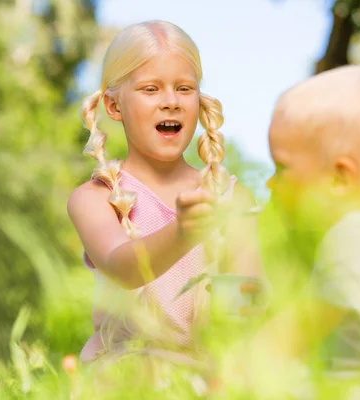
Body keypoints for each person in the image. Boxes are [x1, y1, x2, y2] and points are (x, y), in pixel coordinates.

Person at [66, 20, 264, 371]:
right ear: (114, 106)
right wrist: (184, 232)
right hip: (123, 368)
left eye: (185, 88)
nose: (170, 102)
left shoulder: (231, 198)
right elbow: (123, 268)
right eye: (150, 89)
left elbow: (248, 302)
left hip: (205, 372)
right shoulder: (94, 198)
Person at [227, 65, 360, 399]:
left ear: (340, 178)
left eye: (281, 167)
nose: (269, 182)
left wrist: (231, 373)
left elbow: (289, 338)